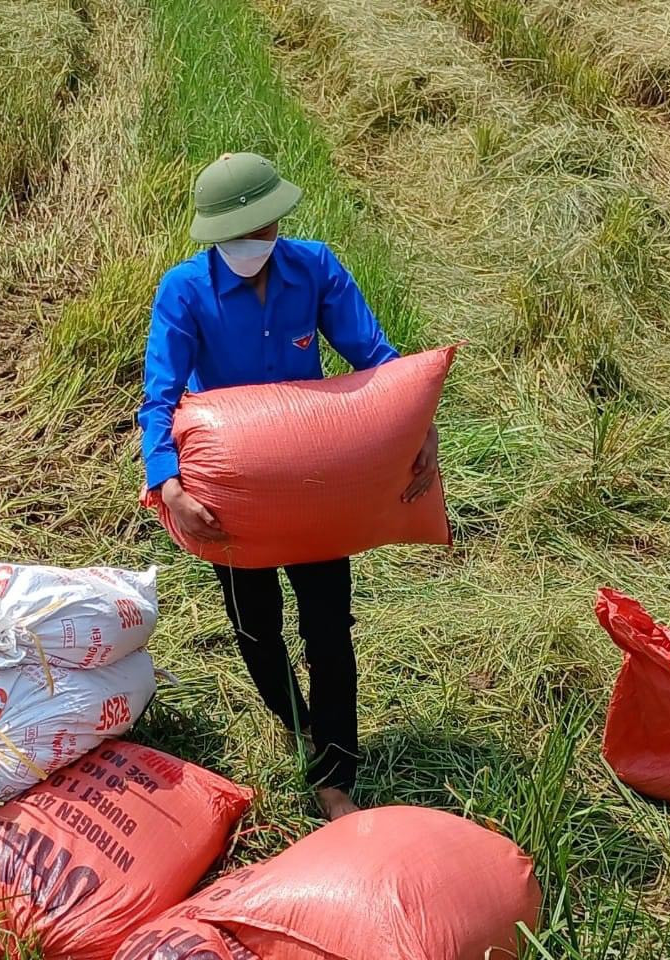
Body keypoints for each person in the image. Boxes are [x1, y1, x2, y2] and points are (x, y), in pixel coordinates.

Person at [138, 152, 439, 820]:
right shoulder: (184, 292)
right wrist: (169, 483)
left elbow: (378, 360)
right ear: (213, 237)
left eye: (263, 228)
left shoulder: (315, 269)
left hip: (310, 480)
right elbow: (158, 398)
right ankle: (294, 719)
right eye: (237, 236)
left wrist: (418, 427)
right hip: (233, 491)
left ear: (278, 220)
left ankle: (335, 775)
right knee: (255, 628)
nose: (254, 244)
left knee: (329, 627)